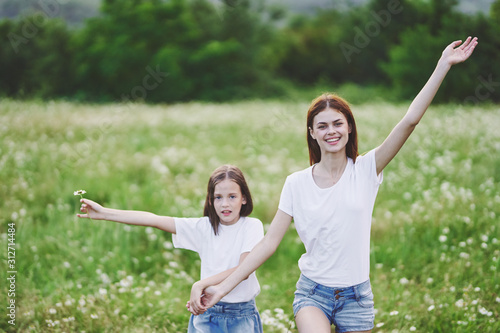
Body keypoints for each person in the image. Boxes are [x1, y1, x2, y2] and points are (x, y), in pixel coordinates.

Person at [187, 37, 479, 333]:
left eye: (337, 123)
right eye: (322, 126)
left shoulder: (366, 169)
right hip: (313, 294)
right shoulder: (296, 183)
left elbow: (409, 121)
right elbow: (268, 244)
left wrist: (443, 65)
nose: (331, 131)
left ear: (349, 127)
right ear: (312, 133)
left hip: (356, 297)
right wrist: (221, 288)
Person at [77, 165, 264, 333]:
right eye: (218, 197)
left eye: (232, 196)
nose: (225, 204)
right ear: (210, 200)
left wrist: (200, 284)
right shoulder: (203, 228)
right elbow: (153, 219)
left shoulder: (252, 226)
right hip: (207, 314)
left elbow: (244, 269)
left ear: (244, 198)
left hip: (242, 316)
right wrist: (104, 213)